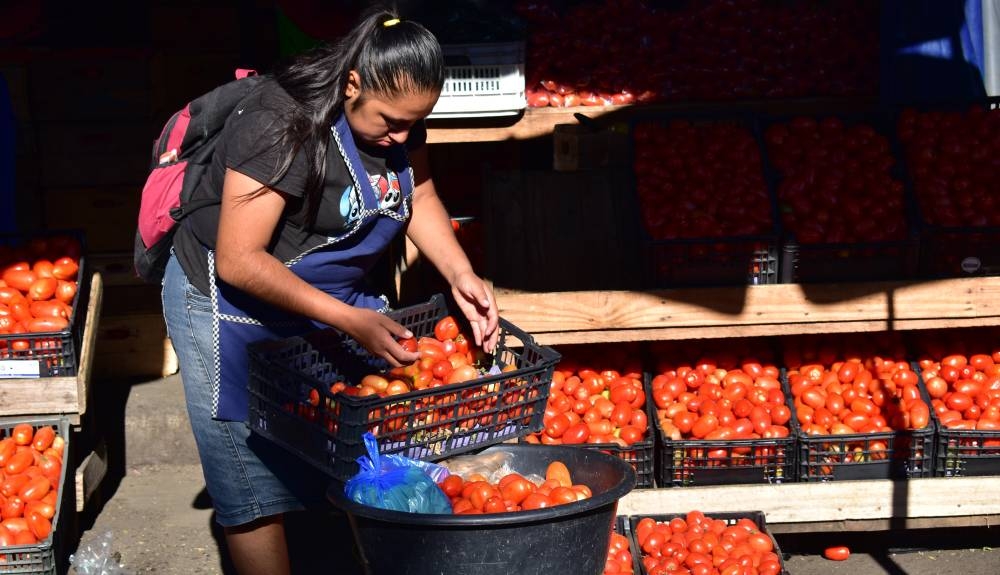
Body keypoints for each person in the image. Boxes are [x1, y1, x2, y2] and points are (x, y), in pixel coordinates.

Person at [161, 7, 499, 574]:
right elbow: (240, 262)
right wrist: (345, 318)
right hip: (225, 308)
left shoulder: (401, 114)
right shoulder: (278, 124)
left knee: (340, 446)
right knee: (251, 488)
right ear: (351, 84)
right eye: (391, 122)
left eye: (417, 123)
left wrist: (461, 273)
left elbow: (423, 195)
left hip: (323, 298)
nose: (404, 136)